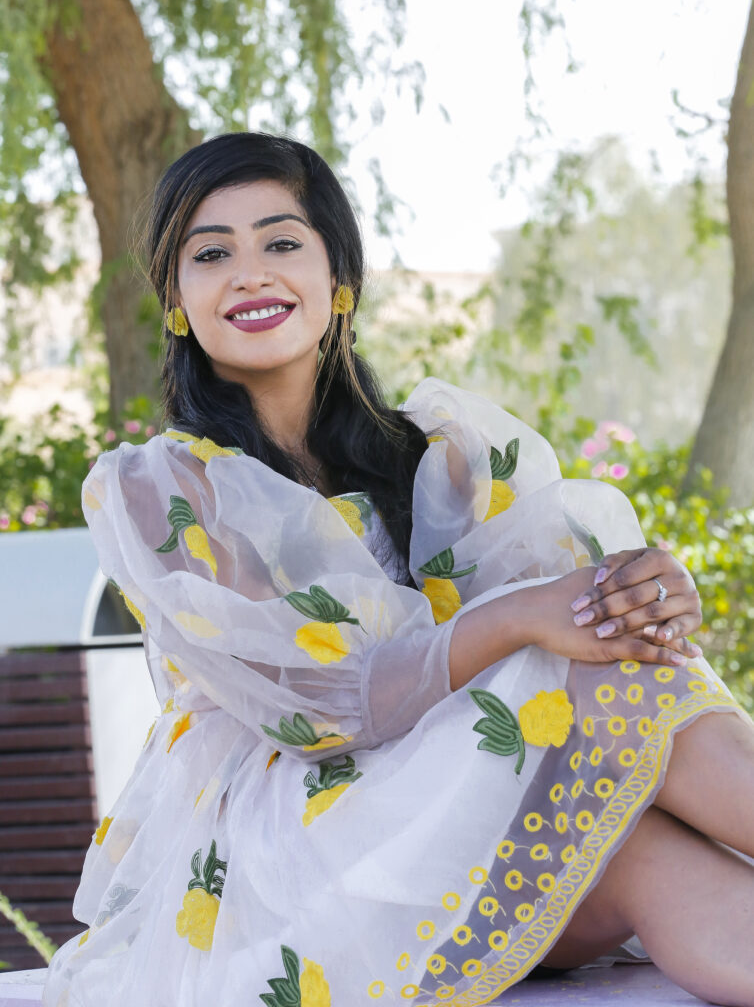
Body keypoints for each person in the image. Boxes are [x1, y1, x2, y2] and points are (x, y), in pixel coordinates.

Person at [43, 132, 754, 1007]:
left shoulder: (441, 454)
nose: (250, 274)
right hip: (305, 844)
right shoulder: (165, 490)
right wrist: (525, 615)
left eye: (281, 242)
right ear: (177, 300)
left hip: (466, 812)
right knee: (591, 699)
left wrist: (639, 595)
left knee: (631, 813)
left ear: (339, 277)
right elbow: (321, 708)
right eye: (212, 254)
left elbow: (569, 613)